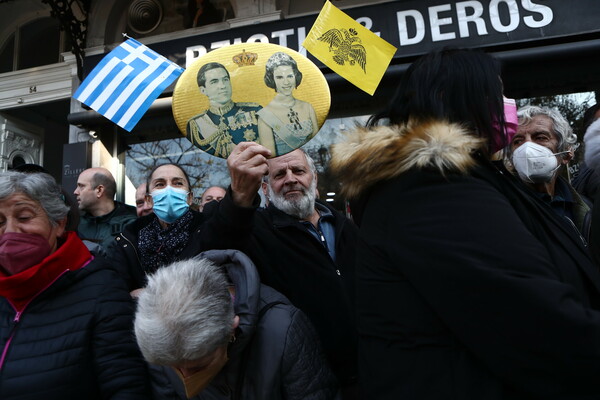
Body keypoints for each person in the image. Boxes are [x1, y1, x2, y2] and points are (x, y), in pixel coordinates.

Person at [330, 47, 600, 399]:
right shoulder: (432, 187)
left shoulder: (456, 178)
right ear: (450, 97)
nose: (510, 103)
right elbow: (531, 317)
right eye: (499, 91)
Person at [0, 171, 151, 399]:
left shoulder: (102, 290)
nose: (10, 231)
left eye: (24, 217)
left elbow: (126, 386)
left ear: (58, 224)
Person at [225, 146, 359, 398]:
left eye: (298, 170)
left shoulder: (346, 227)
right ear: (264, 189)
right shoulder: (255, 232)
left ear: (314, 178)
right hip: (306, 383)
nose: (290, 179)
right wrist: (237, 199)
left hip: (369, 373)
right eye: (279, 175)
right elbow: (215, 245)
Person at [134, 249, 339, 399]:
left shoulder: (283, 330)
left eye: (199, 366)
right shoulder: (161, 339)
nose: (184, 377)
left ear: (232, 327)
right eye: (175, 367)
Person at [108, 162, 257, 295]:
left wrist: (148, 294)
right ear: (149, 200)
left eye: (177, 183)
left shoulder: (209, 228)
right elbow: (115, 290)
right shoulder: (130, 237)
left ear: (189, 198)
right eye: (160, 184)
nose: (169, 190)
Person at [510, 105, 591, 241]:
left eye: (540, 138)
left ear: (566, 154)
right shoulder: (501, 206)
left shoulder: (587, 209)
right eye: (517, 141)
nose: (527, 147)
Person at [186, 62, 262, 157]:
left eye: (225, 80)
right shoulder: (196, 125)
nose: (222, 86)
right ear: (203, 90)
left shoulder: (255, 111)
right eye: (214, 82)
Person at [257, 52, 318, 156]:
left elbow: (317, 143)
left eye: (290, 76)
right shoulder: (265, 116)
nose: (286, 82)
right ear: (272, 80)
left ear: (296, 77)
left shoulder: (307, 107)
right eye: (280, 77)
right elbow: (271, 158)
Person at [74, 167, 136, 250]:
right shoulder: (76, 226)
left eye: (81, 186)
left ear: (99, 190)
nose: (75, 192)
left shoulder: (132, 225)